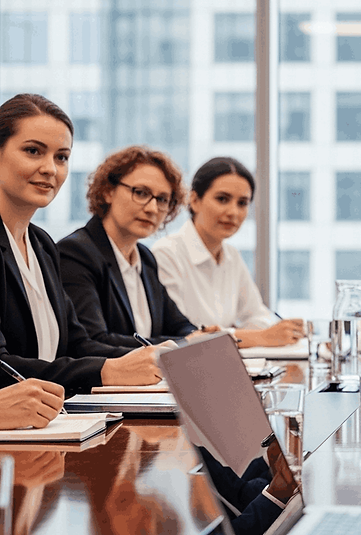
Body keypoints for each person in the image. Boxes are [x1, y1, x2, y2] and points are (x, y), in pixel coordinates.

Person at [0, 93, 164, 395]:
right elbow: (2, 365)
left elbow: (77, 343)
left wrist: (144, 359)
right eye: (33, 151)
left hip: (53, 422)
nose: (51, 168)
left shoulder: (41, 244)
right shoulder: (72, 248)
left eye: (61, 157)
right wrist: (107, 370)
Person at [57, 146, 212, 348]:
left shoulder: (146, 258)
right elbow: (92, 341)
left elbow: (179, 325)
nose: (152, 208)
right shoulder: (77, 253)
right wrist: (184, 342)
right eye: (141, 193)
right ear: (107, 192)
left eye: (162, 199)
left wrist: (198, 336)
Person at [152, 157, 304, 349]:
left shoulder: (231, 256)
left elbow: (258, 315)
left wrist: (235, 334)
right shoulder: (166, 254)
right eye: (222, 199)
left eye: (242, 203)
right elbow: (184, 336)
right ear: (195, 200)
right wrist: (257, 337)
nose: (233, 212)